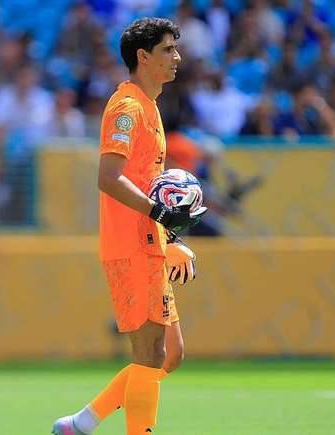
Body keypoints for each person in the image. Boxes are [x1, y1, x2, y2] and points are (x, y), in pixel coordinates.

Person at [51, 18, 206, 435]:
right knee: (149, 353)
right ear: (143, 57)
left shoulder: (151, 107)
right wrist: (159, 216)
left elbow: (145, 184)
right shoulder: (127, 107)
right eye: (168, 50)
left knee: (170, 354)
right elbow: (108, 177)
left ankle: (81, 423)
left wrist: (168, 237)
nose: (178, 58)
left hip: (149, 241)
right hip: (130, 244)